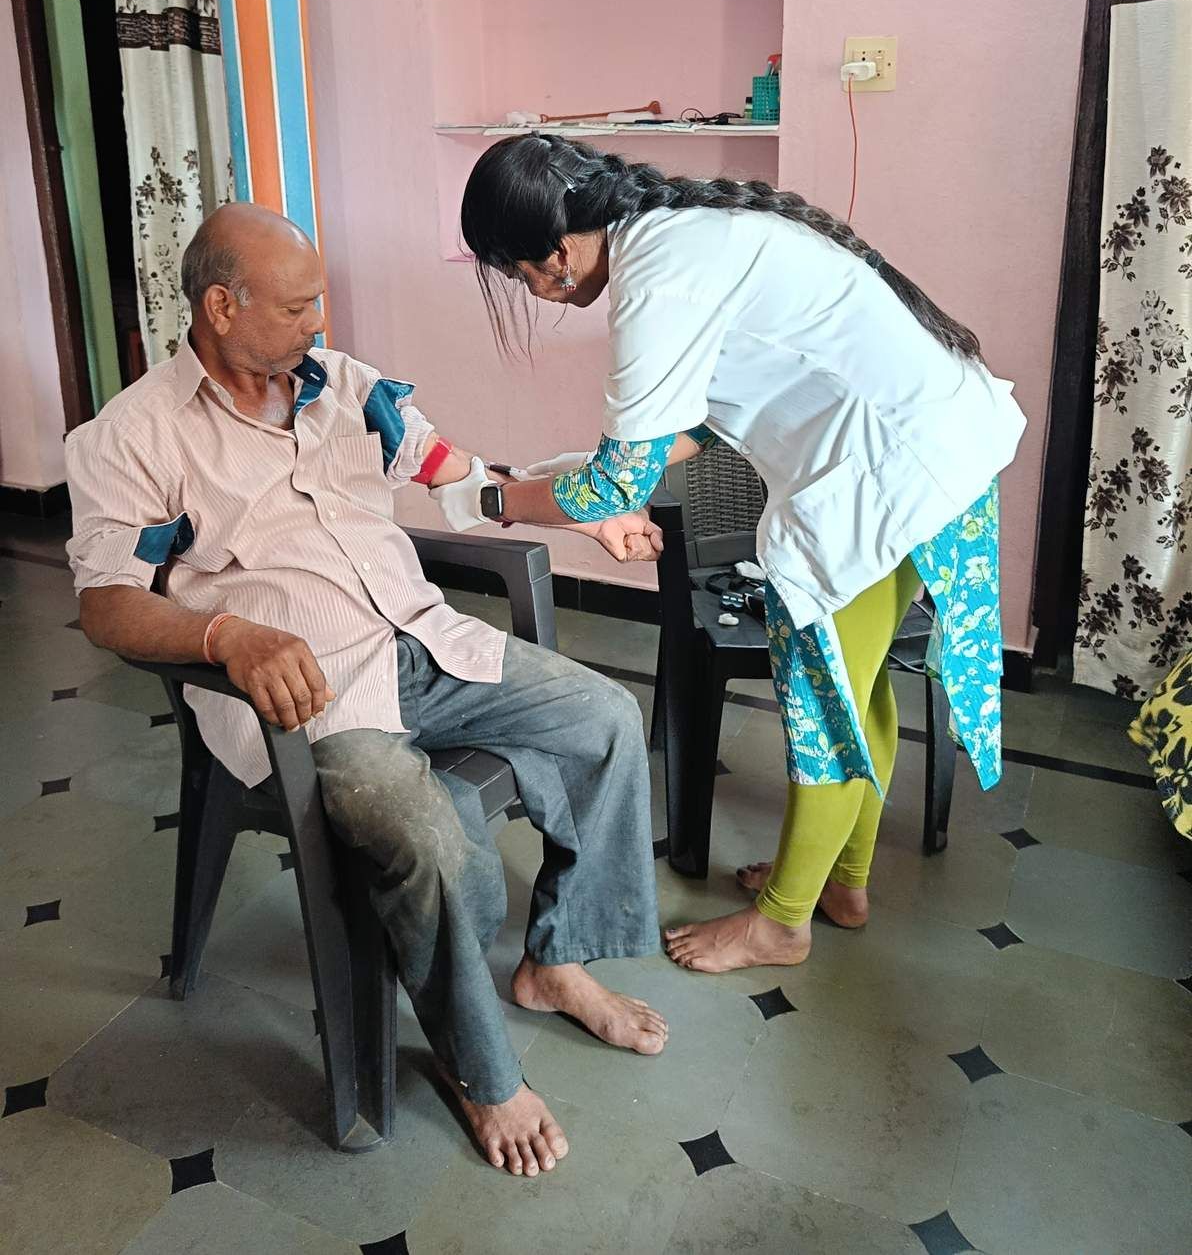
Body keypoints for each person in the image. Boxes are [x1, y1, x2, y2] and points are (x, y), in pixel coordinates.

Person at [64, 203, 667, 1178]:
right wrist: (224, 634)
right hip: (310, 702)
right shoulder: (134, 436)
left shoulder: (349, 388)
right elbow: (108, 602)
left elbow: (461, 481)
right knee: (427, 833)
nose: (320, 324)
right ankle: (481, 1073)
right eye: (298, 306)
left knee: (605, 718)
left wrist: (586, 519)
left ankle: (556, 962)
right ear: (221, 306)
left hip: (423, 643)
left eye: (320, 302)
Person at [454, 135, 1026, 974]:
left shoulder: (657, 274)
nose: (533, 292)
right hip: (935, 445)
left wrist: (500, 502)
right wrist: (564, 481)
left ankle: (783, 923)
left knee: (827, 706)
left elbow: (617, 484)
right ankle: (841, 882)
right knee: (860, 687)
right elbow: (697, 428)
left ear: (554, 256)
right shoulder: (680, 228)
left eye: (518, 276)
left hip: (890, 476)